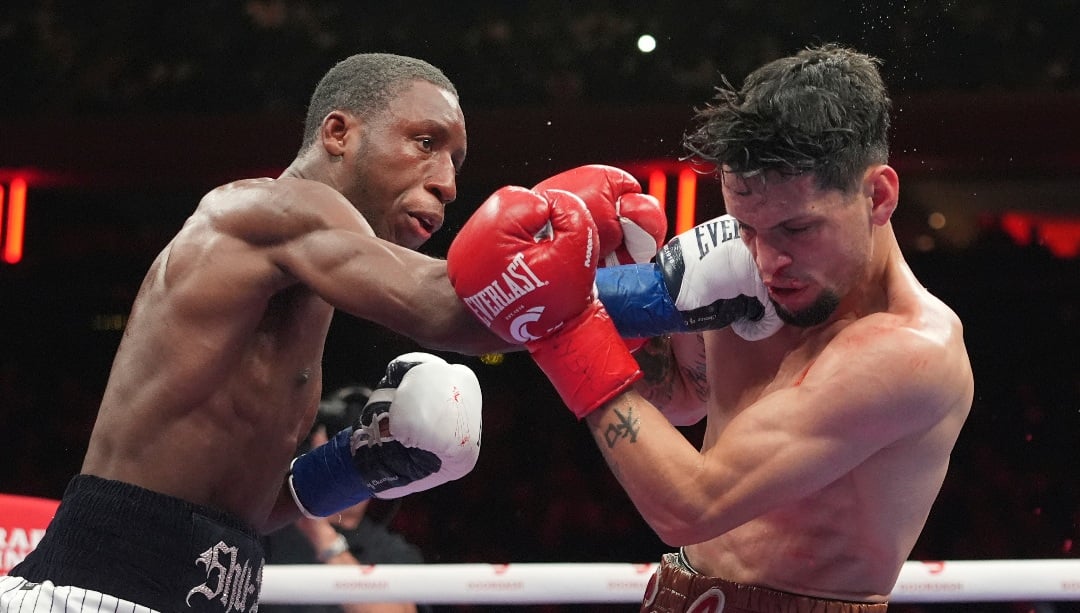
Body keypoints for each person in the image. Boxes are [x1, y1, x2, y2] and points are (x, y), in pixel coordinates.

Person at [447, 44, 974, 612]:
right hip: (678, 592)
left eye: (797, 228)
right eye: (748, 227)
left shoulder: (914, 351)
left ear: (879, 195)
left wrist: (566, 329)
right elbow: (680, 398)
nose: (768, 259)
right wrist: (618, 318)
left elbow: (689, 505)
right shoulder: (740, 265)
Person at [0, 53, 492, 613]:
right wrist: (603, 288)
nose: (449, 184)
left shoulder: (310, 290)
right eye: (426, 143)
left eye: (456, 161)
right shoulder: (270, 210)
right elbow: (443, 308)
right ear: (338, 133)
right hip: (100, 592)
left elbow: (242, 510)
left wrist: (359, 466)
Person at [261, 385, 430, 613]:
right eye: (341, 441)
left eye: (367, 443)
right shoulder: (270, 531)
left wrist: (323, 538)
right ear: (318, 445)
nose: (354, 451)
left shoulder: (392, 551)